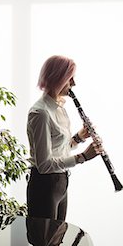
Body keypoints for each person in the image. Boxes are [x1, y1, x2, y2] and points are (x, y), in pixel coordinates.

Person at [26, 55, 104, 221]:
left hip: (60, 182)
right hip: (44, 185)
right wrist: (82, 157)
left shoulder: (59, 108)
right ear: (57, 79)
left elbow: (58, 150)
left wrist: (78, 138)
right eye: (70, 79)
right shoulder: (41, 113)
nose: (74, 84)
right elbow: (44, 165)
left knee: (57, 238)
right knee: (44, 242)